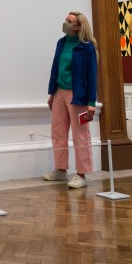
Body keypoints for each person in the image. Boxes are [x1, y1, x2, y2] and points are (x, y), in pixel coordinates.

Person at [42, 11, 98, 189]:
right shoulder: (61, 43)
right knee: (58, 132)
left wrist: (91, 103)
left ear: (78, 27)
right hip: (59, 92)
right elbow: (55, 68)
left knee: (80, 134)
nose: (65, 23)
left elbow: (92, 76)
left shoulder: (86, 46)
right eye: (66, 19)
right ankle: (60, 170)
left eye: (69, 21)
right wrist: (52, 93)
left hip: (78, 95)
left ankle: (81, 174)